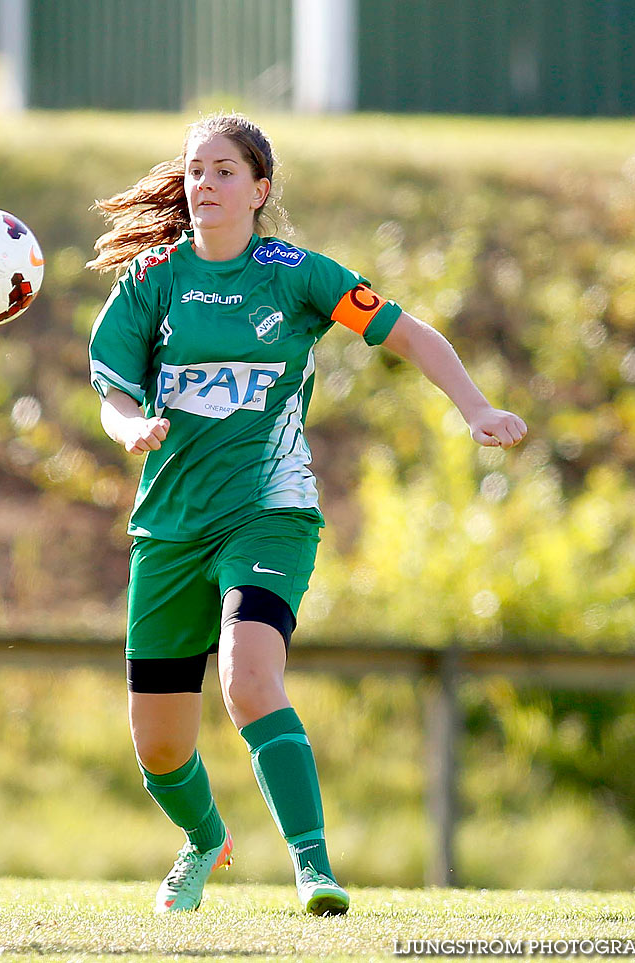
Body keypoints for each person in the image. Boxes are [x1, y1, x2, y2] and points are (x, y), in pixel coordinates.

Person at [85, 113, 526, 916]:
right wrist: (130, 426)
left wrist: (476, 407)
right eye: (196, 171)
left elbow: (409, 333)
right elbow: (112, 388)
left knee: (250, 682)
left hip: (269, 511)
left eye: (224, 172)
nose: (205, 185)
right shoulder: (152, 280)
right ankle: (205, 839)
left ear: (260, 190)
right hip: (169, 529)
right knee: (159, 748)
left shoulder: (296, 274)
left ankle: (312, 866)